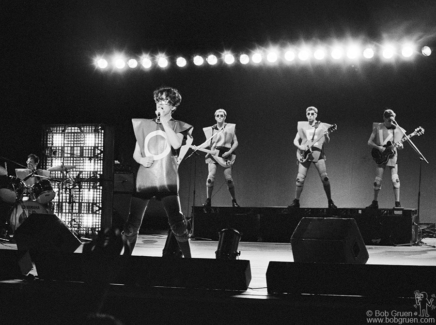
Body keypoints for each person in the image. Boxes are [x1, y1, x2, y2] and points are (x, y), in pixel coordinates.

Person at [123, 86, 192, 258]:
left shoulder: (178, 126)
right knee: (132, 224)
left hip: (166, 176)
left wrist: (165, 122)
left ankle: (189, 260)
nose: (161, 104)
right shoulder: (144, 125)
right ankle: (124, 258)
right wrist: (141, 159)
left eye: (166, 101)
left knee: (177, 223)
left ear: (173, 106)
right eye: (159, 100)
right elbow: (136, 153)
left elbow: (176, 144)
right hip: (145, 177)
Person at [288, 106, 337, 209]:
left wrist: (327, 135)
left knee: (325, 178)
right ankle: (296, 201)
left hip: (318, 153)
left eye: (312, 114)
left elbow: (326, 141)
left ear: (316, 115)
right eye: (308, 114)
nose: (310, 116)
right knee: (299, 179)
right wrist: (300, 146)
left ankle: (330, 201)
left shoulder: (322, 127)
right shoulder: (303, 127)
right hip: (305, 153)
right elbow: (295, 140)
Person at [197, 109, 239, 208]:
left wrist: (229, 152)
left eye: (222, 115)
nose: (220, 117)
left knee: (229, 179)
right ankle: (208, 201)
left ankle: (234, 201)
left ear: (225, 117)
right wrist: (196, 147)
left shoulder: (230, 128)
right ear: (215, 117)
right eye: (218, 115)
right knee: (210, 178)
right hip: (214, 154)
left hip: (226, 154)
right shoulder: (211, 129)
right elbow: (207, 143)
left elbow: (236, 142)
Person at [367, 109, 405, 209]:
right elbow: (369, 142)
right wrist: (379, 147)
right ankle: (375, 202)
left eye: (392, 119)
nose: (390, 121)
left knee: (395, 179)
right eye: (388, 119)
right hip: (381, 154)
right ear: (384, 118)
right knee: (377, 180)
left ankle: (397, 203)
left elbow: (400, 144)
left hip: (392, 155)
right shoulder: (378, 127)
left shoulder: (396, 129)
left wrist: (400, 146)